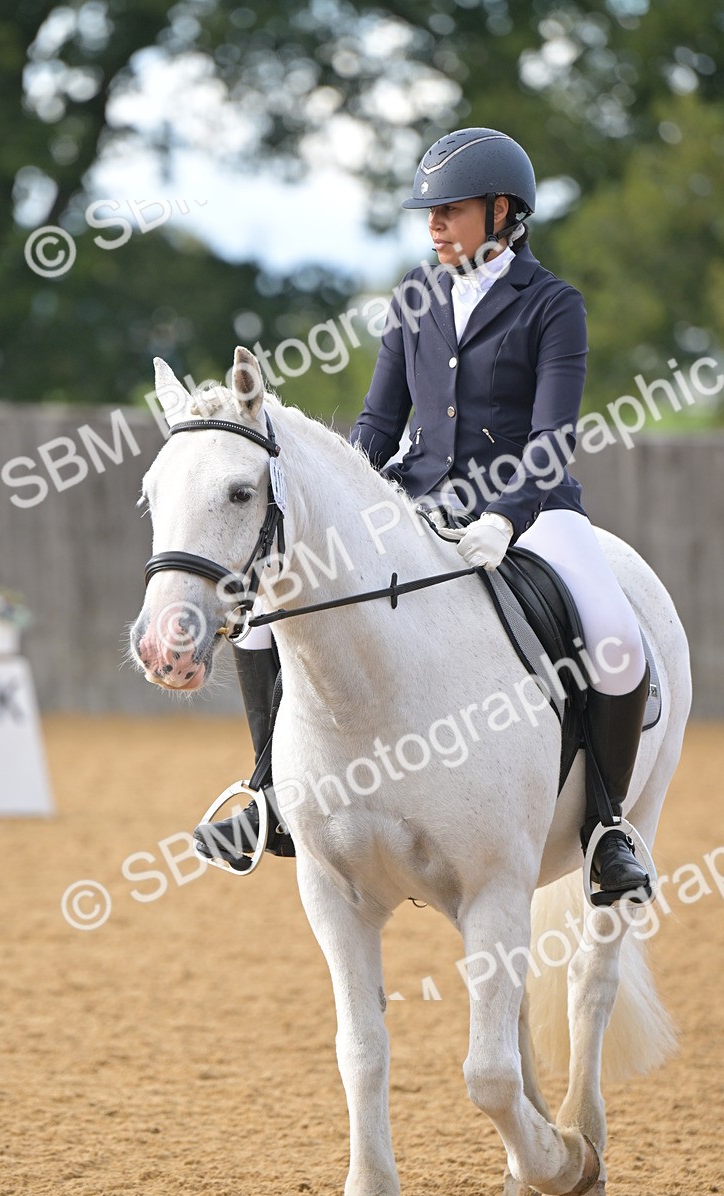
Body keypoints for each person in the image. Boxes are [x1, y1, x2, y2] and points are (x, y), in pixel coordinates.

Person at [195, 127, 651, 904]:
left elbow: (552, 439)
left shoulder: (552, 306)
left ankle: (605, 827)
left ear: (503, 212)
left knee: (613, 638)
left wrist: (507, 517)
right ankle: (269, 794)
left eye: (452, 209)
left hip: (529, 505)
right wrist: (343, 492)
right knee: (270, 615)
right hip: (412, 498)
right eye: (429, 211)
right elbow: (377, 422)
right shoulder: (413, 295)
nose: (434, 224)